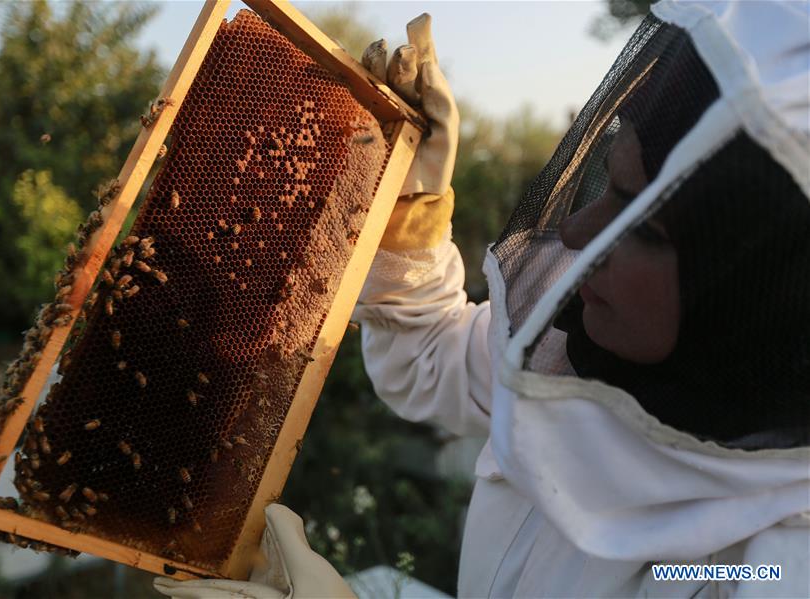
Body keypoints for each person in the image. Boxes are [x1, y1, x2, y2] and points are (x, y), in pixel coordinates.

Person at [155, 1, 809, 597]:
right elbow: (428, 361)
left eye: (639, 227)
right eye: (606, 186)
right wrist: (410, 213)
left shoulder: (768, 564)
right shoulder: (571, 349)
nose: (580, 234)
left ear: (762, 296)